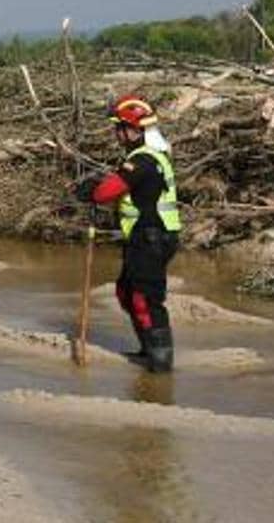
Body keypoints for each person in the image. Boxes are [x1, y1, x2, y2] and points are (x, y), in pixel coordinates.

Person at [88, 94, 182, 372]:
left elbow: (105, 192)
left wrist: (92, 191)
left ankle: (160, 365)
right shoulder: (149, 156)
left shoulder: (141, 161)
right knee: (126, 293)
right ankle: (149, 350)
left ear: (135, 130)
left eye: (119, 127)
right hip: (145, 237)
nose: (116, 133)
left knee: (144, 299)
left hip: (151, 238)